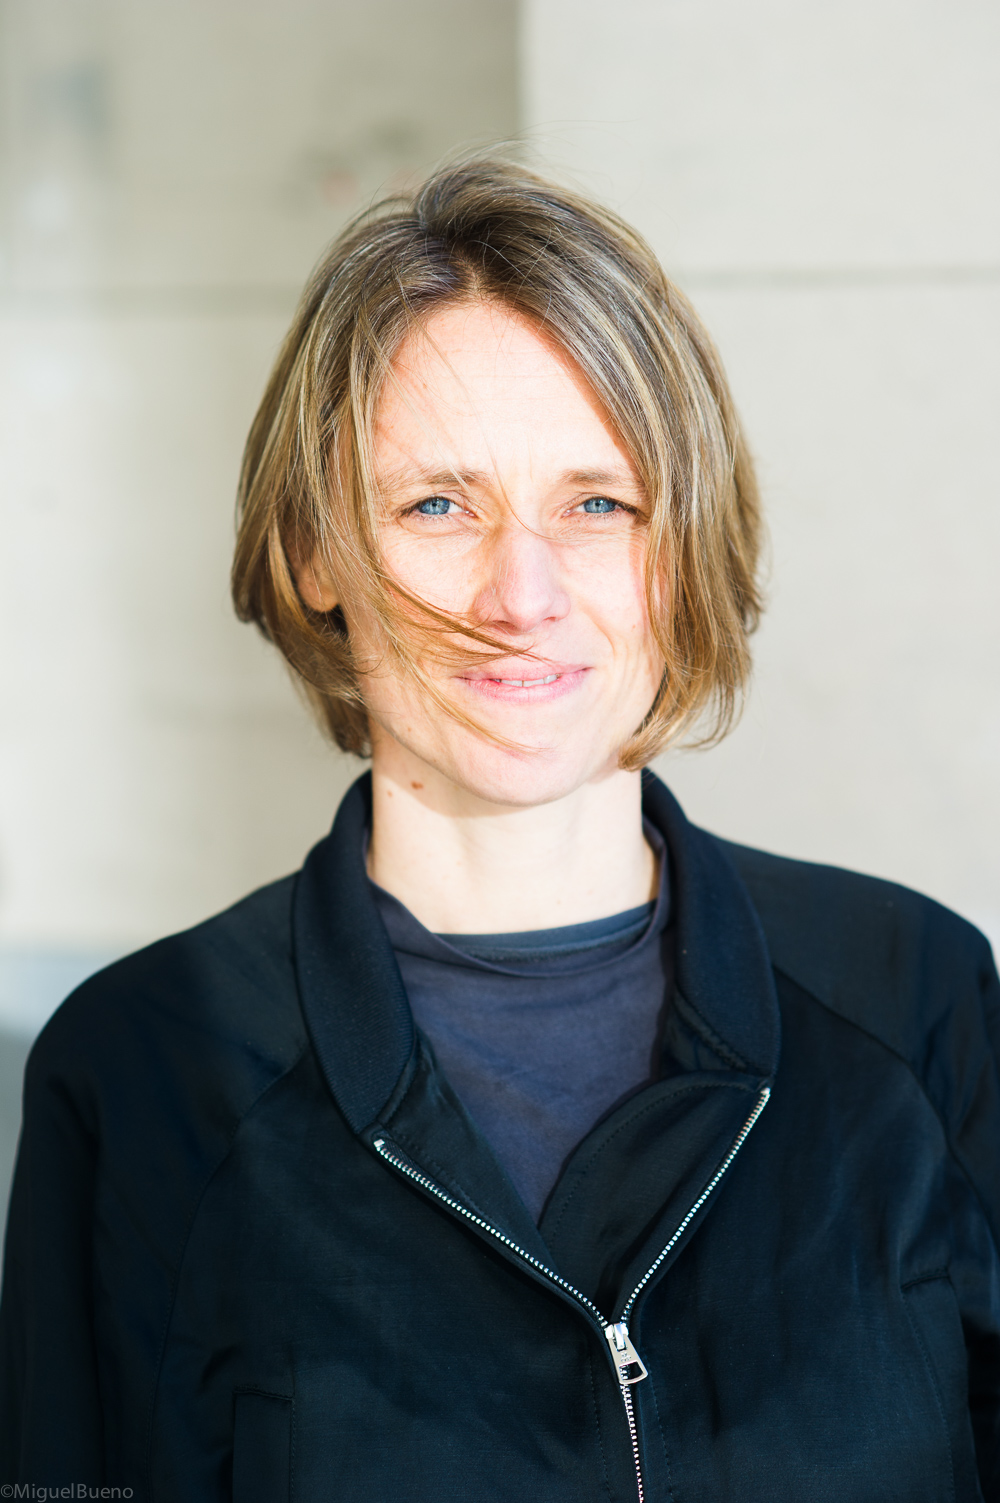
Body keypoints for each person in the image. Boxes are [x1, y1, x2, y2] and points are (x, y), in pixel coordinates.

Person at [1, 158, 998, 1503]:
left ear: (680, 546)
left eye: (597, 503)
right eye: (436, 505)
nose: (520, 595)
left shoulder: (919, 998)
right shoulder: (141, 1072)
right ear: (316, 553)